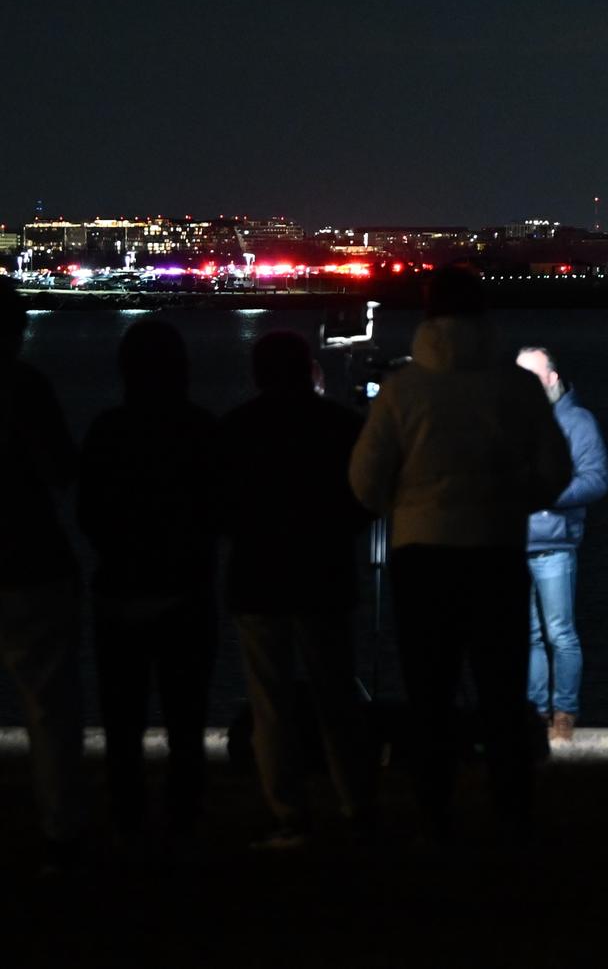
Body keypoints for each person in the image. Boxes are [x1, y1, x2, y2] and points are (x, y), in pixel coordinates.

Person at [350, 265, 570, 838]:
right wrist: (510, 498)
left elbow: (365, 483)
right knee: (501, 690)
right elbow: (555, 470)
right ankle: (511, 808)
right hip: (496, 550)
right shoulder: (516, 387)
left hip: (421, 555)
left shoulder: (402, 389)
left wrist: (407, 500)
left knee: (429, 691)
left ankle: (433, 807)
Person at [216, 330, 375, 848]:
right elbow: (363, 502)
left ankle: (289, 812)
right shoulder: (343, 426)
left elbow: (219, 508)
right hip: (323, 574)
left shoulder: (235, 429)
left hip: (258, 578)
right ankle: (356, 803)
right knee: (337, 698)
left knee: (270, 704)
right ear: (310, 368)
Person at [78, 317, 219, 847]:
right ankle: (185, 814)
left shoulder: (106, 429)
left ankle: (127, 814)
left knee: (122, 717)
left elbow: (88, 510)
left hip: (118, 592)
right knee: (187, 716)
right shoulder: (202, 428)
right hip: (186, 591)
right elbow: (218, 509)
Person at [0, 277, 92, 871]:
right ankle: (61, 832)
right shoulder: (25, 386)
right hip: (29, 557)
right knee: (50, 707)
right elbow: (62, 469)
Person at [516, 345, 608, 747]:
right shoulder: (513, 421)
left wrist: (545, 494)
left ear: (553, 379)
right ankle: (536, 714)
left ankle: (565, 714)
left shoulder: (577, 421)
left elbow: (597, 479)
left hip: (555, 544)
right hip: (517, 543)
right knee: (530, 636)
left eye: (533, 378)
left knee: (560, 633)